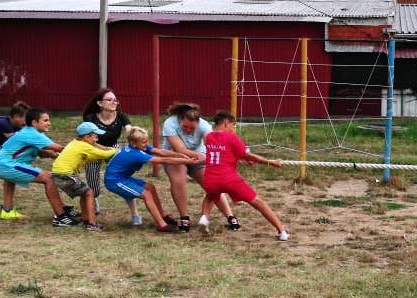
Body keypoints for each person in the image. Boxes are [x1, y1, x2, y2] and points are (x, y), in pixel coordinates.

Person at [198, 111, 289, 240]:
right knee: (258, 202)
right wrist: (269, 162)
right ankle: (281, 230)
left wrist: (240, 159)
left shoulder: (208, 137)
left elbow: (223, 154)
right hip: (229, 179)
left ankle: (204, 218)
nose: (234, 128)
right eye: (233, 125)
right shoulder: (231, 137)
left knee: (210, 196)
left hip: (210, 179)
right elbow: (247, 155)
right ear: (226, 123)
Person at [105, 126, 202, 233]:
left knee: (150, 187)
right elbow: (164, 160)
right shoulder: (136, 154)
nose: (146, 144)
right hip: (114, 181)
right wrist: (187, 161)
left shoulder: (138, 147)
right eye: (143, 142)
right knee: (146, 194)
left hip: (123, 178)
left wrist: (180, 155)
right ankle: (162, 225)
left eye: (146, 141)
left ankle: (163, 217)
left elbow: (160, 152)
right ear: (133, 143)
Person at [161, 102, 236, 232]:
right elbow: (180, 149)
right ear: (180, 120)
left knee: (213, 183)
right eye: (185, 127)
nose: (188, 130)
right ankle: (184, 217)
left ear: (198, 123)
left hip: (198, 155)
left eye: (192, 128)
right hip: (175, 155)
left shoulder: (204, 126)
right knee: (179, 180)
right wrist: (199, 156)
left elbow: (212, 144)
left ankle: (230, 216)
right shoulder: (170, 123)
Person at [0, 107, 74, 226]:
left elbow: (40, 151)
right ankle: (61, 217)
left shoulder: (29, 132)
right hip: (7, 165)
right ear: (34, 122)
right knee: (49, 178)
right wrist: (82, 151)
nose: (49, 123)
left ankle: (7, 211)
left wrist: (53, 155)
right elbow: (60, 148)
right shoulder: (33, 133)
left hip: (4, 163)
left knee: (10, 181)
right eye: (45, 120)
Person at [81, 87, 138, 223]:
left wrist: (134, 138)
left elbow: (130, 131)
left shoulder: (121, 117)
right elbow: (89, 140)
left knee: (123, 178)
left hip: (113, 147)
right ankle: (93, 203)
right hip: (93, 148)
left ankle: (135, 213)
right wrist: (106, 150)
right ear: (100, 103)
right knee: (93, 183)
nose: (114, 102)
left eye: (115, 100)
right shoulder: (90, 118)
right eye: (110, 99)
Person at [50, 122, 118, 232]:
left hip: (59, 173)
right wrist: (117, 150)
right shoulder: (84, 146)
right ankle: (92, 224)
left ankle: (86, 220)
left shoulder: (76, 143)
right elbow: (103, 154)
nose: (97, 139)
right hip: (64, 174)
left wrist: (101, 147)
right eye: (95, 136)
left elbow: (90, 157)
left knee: (85, 193)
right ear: (86, 137)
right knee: (89, 192)